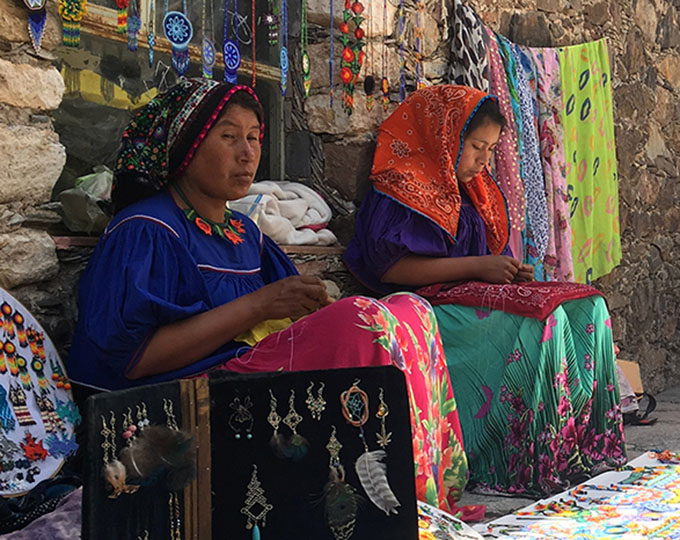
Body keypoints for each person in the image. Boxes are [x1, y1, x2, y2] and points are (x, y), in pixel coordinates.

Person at [66, 79, 472, 515]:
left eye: (255, 138)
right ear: (187, 147)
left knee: (410, 309)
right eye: (229, 137)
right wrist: (259, 307)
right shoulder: (148, 228)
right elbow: (132, 362)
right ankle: (389, 507)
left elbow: (285, 325)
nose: (248, 153)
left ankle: (427, 500)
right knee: (359, 317)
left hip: (246, 381)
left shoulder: (246, 235)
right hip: (176, 407)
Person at [344, 85, 626, 496]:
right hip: (424, 310)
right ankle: (510, 459)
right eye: (477, 146)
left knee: (587, 306)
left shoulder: (470, 191)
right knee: (541, 322)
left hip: (466, 299)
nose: (484, 160)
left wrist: (508, 274)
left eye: (491, 149)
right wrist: (480, 266)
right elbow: (394, 267)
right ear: (446, 138)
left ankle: (579, 449)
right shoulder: (401, 186)